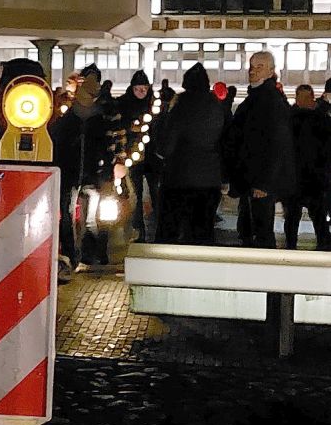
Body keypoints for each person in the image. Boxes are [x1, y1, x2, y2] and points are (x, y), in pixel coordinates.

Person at [52, 65, 127, 270]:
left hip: (86, 171)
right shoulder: (97, 112)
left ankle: (84, 253)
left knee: (88, 216)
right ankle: (82, 253)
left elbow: (115, 140)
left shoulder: (81, 112)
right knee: (81, 216)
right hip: (81, 170)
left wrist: (116, 162)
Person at [223, 51, 295, 248]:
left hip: (259, 182)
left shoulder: (269, 101)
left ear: (271, 71)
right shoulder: (258, 97)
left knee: (260, 231)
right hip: (251, 179)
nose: (253, 71)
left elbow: (276, 145)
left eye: (259, 67)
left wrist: (264, 183)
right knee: (252, 229)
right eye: (252, 66)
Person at [155, 63, 226, 245]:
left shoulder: (182, 106)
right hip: (210, 178)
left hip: (180, 177)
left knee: (171, 229)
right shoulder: (216, 106)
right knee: (203, 231)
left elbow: (169, 142)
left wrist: (161, 152)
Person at [283, 85, 331, 250]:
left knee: (292, 219)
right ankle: (323, 247)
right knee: (318, 219)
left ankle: (291, 248)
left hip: (295, 179)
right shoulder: (322, 120)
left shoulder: (288, 119)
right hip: (315, 179)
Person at [116, 71, 159, 242]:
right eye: (138, 88)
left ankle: (149, 229)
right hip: (132, 157)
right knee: (134, 194)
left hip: (152, 157)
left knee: (152, 193)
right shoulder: (125, 105)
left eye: (144, 88)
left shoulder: (154, 105)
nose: (141, 91)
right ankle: (135, 229)